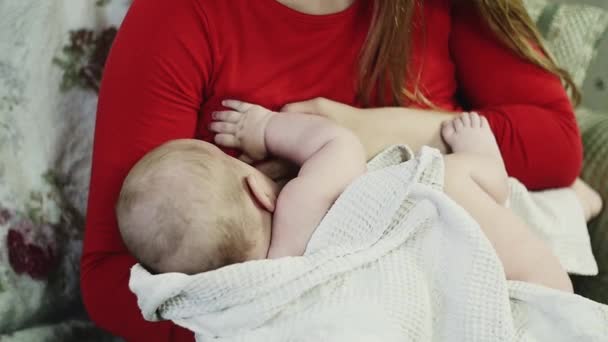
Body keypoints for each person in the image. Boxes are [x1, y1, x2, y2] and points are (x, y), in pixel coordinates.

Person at [82, 0, 602, 340]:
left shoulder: (438, 9)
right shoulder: (182, 16)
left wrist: (371, 126)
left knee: (467, 189)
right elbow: (110, 275)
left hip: (451, 254)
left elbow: (557, 145)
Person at [116, 101, 571, 300]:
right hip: (514, 266)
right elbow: (340, 146)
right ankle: (487, 162)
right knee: (450, 176)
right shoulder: (295, 209)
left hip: (445, 281)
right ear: (258, 189)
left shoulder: (235, 297)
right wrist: (265, 129)